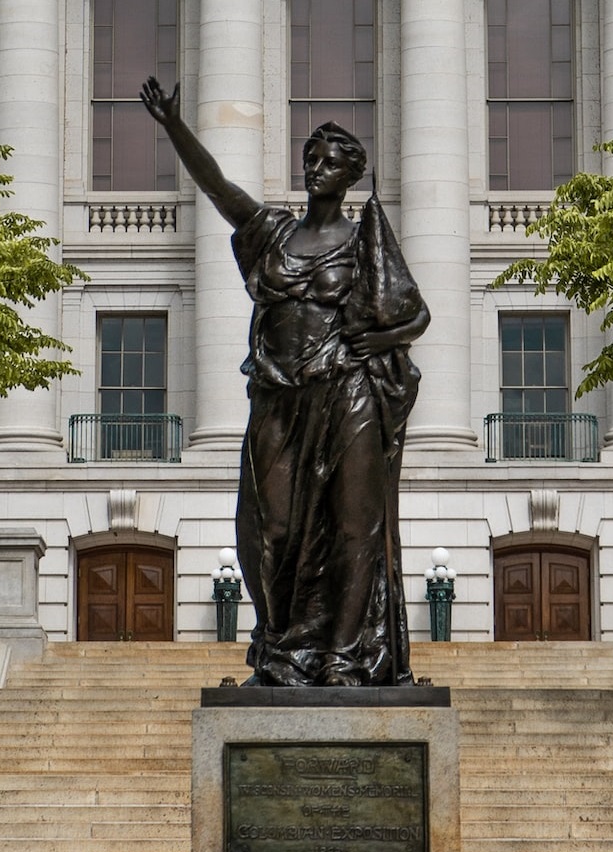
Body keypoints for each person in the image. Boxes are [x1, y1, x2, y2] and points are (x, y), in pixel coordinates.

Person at [140, 77, 430, 686]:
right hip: (278, 397)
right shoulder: (272, 232)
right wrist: (173, 127)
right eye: (312, 158)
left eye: (331, 161)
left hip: (346, 390)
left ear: (351, 175)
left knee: (355, 527)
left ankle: (343, 655)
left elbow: (414, 315)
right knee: (267, 530)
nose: (318, 168)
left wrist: (377, 342)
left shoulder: (364, 241)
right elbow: (220, 189)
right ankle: (282, 650)